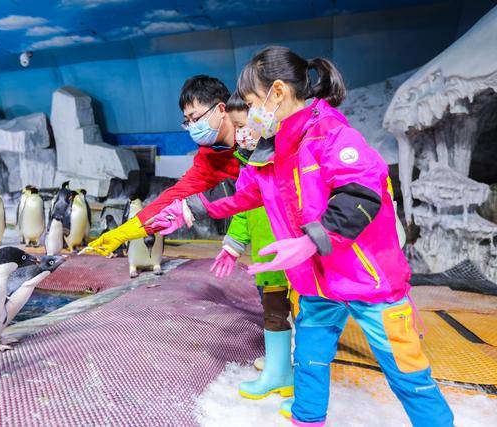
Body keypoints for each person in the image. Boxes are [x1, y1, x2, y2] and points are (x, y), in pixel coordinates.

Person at [148, 46, 454, 427]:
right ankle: (307, 421)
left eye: (251, 101)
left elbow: (360, 193)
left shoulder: (332, 136)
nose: (249, 112)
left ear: (277, 93)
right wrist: (188, 210)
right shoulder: (269, 150)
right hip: (317, 285)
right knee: (309, 364)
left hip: (367, 282)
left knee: (409, 377)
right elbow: (241, 192)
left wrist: (310, 241)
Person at [86, 75, 240, 256]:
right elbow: (170, 200)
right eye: (187, 121)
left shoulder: (259, 135)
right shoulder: (209, 159)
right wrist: (122, 233)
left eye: (195, 117)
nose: (192, 127)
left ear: (221, 109)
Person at [213, 91, 293, 400]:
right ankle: (279, 368)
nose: (241, 134)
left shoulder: (285, 159)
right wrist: (232, 245)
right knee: (272, 311)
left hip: (292, 257)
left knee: (301, 314)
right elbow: (244, 211)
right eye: (236, 127)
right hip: (266, 257)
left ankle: (295, 368)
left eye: (244, 124)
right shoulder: (249, 167)